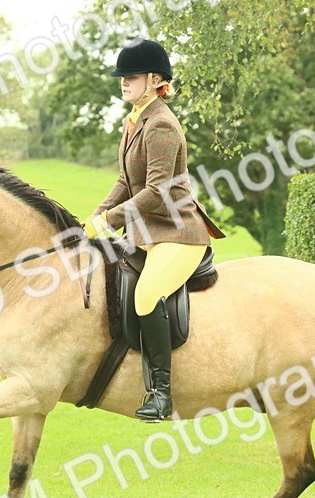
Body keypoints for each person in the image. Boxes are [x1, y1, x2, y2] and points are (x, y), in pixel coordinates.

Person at [84, 38, 226, 422]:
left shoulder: (161, 124)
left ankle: (161, 394)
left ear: (155, 80)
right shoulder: (135, 122)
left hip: (177, 232)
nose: (123, 82)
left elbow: (156, 190)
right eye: (123, 77)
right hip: (149, 233)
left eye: (131, 76)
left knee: (146, 294)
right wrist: (94, 216)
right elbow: (125, 181)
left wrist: (110, 221)